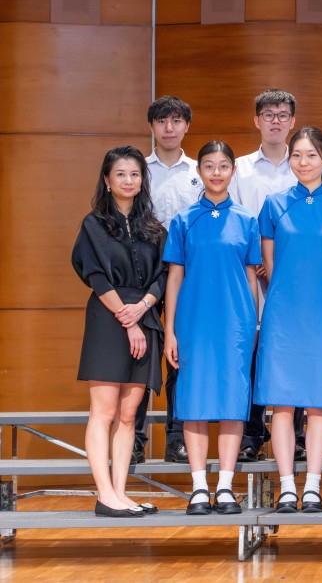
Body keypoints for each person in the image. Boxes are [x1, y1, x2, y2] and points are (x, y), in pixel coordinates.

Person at [255, 126, 322, 513]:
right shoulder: (273, 204)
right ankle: (287, 486)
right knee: (281, 404)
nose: (304, 162)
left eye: (312, 155)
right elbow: (269, 265)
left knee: (317, 404)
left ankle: (312, 485)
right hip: (283, 314)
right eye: (297, 155)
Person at [162, 141, 261, 516]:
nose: (216, 172)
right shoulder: (184, 220)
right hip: (194, 323)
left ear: (233, 171)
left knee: (234, 405)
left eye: (223, 166)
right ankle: (199, 487)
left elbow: (251, 278)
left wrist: (251, 325)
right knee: (195, 403)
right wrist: (170, 330)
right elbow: (174, 278)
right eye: (209, 166)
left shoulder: (247, 219)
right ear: (199, 171)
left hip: (235, 323)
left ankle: (225, 486)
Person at [72, 145, 167, 517]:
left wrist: (142, 309)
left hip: (145, 314)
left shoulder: (154, 228)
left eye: (135, 174)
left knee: (130, 415)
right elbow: (93, 274)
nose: (129, 180)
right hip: (109, 318)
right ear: (107, 181)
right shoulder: (93, 224)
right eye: (121, 174)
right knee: (105, 411)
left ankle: (120, 493)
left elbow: (163, 276)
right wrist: (128, 318)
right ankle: (103, 493)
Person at [229, 89, 307, 464]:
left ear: (292, 121)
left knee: (298, 351)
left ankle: (301, 434)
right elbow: (234, 220)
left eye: (283, 114)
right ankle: (251, 433)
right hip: (248, 276)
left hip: (298, 280)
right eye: (268, 114)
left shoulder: (306, 165)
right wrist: (258, 262)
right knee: (252, 352)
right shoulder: (240, 168)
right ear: (256, 120)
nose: (276, 120)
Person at [135, 96, 201, 465]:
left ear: (186, 126)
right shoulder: (138, 169)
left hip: (188, 274)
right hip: (145, 272)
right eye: (162, 121)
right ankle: (136, 438)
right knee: (141, 355)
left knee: (179, 356)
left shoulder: (199, 170)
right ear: (152, 127)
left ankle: (176, 437)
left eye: (177, 120)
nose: (170, 128)